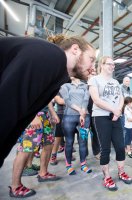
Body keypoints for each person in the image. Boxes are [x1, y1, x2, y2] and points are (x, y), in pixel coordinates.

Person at [0, 35, 96, 167]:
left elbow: (18, 122)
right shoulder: (52, 56)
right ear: (75, 49)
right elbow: (6, 109)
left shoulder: (58, 79)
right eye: (91, 59)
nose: (93, 67)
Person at [88, 56, 132, 191]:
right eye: (109, 64)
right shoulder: (94, 80)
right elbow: (96, 99)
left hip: (116, 116)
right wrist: (114, 110)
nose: (112, 66)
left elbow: (121, 98)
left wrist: (118, 111)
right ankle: (107, 177)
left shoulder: (115, 81)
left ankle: (121, 172)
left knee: (120, 146)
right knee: (105, 149)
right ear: (101, 65)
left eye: (113, 65)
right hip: (101, 117)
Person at [9, 103, 60, 198]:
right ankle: (15, 187)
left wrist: (53, 113)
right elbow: (23, 97)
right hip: (33, 115)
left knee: (48, 144)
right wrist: (32, 116)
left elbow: (46, 97)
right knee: (26, 149)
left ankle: (43, 173)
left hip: (45, 114)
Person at [60, 77, 92, 175]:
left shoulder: (86, 86)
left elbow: (86, 99)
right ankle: (68, 165)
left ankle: (83, 164)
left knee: (83, 141)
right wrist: (80, 110)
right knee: (69, 142)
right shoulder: (65, 86)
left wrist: (82, 114)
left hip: (85, 117)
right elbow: (67, 100)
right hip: (69, 117)